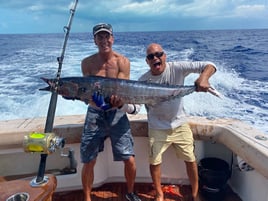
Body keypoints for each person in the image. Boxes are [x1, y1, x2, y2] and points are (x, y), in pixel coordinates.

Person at [138, 43, 217, 201]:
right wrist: (119, 104)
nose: (155, 58)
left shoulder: (177, 68)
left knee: (190, 159)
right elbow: (134, 106)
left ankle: (195, 194)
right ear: (147, 62)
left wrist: (203, 78)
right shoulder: (143, 81)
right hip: (157, 128)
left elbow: (210, 65)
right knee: (154, 162)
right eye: (151, 56)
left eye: (159, 54)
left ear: (165, 56)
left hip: (180, 125)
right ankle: (160, 194)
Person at [80, 23, 141, 201]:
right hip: (95, 113)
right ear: (94, 41)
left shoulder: (123, 62)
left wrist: (118, 102)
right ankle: (86, 198)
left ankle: (130, 193)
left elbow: (121, 89)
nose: (104, 40)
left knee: (128, 157)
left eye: (107, 36)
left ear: (112, 38)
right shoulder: (87, 63)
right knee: (89, 159)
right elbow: (87, 91)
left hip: (117, 113)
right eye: (100, 37)